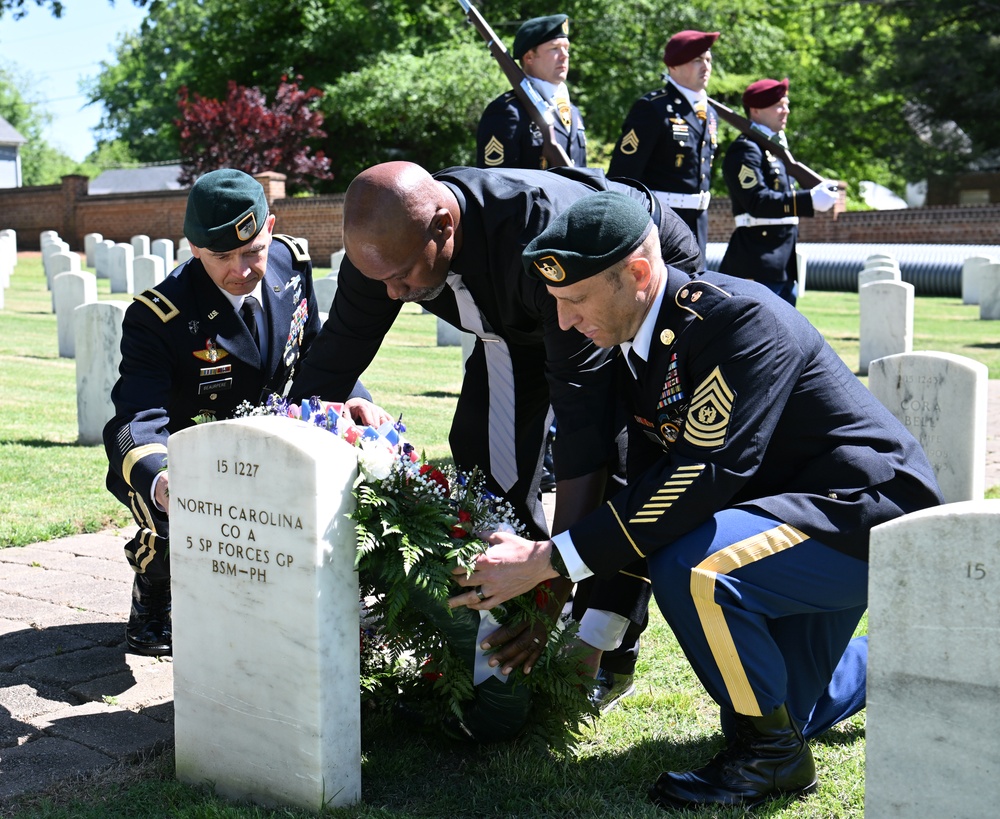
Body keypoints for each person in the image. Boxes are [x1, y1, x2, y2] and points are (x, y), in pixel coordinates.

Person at [450, 191, 943, 808]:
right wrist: (595, 635)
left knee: (696, 568)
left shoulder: (734, 322)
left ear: (636, 273)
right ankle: (893, 663)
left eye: (575, 300)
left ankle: (773, 761)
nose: (566, 321)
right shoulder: (636, 341)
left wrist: (549, 560)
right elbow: (644, 493)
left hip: (866, 512)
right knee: (786, 706)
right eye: (556, 303)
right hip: (791, 521)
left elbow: (698, 478)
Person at [290, 161, 703, 710]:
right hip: (516, 324)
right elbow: (330, 366)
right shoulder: (387, 250)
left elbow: (587, 437)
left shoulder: (541, 239)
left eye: (404, 275)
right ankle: (508, 615)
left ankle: (603, 647)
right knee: (484, 463)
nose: (391, 293)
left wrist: (554, 585)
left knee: (629, 462)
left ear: (443, 227)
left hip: (613, 278)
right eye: (379, 278)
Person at [103, 169, 378, 657]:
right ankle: (154, 595)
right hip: (190, 448)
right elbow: (136, 418)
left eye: (251, 250)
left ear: (269, 227)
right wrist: (163, 476)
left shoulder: (290, 265)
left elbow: (313, 350)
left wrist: (351, 396)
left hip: (272, 430)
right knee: (178, 517)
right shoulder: (157, 317)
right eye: (221, 257)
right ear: (193, 248)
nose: (241, 269)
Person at [719, 78, 839, 306]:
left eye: (786, 104)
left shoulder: (776, 150)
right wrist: (808, 200)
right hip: (757, 259)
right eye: (778, 105)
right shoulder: (746, 149)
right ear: (755, 110)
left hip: (783, 262)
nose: (786, 111)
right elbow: (757, 201)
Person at [608, 30, 720, 254]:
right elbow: (624, 176)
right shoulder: (653, 108)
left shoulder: (709, 112)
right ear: (674, 66)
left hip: (698, 222)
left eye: (708, 59)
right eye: (697, 60)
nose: (706, 66)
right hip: (661, 222)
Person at [476, 14, 586, 170]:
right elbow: (497, 186)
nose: (565, 55)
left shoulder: (572, 112)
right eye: (554, 48)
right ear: (529, 57)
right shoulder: (506, 112)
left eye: (566, 48)